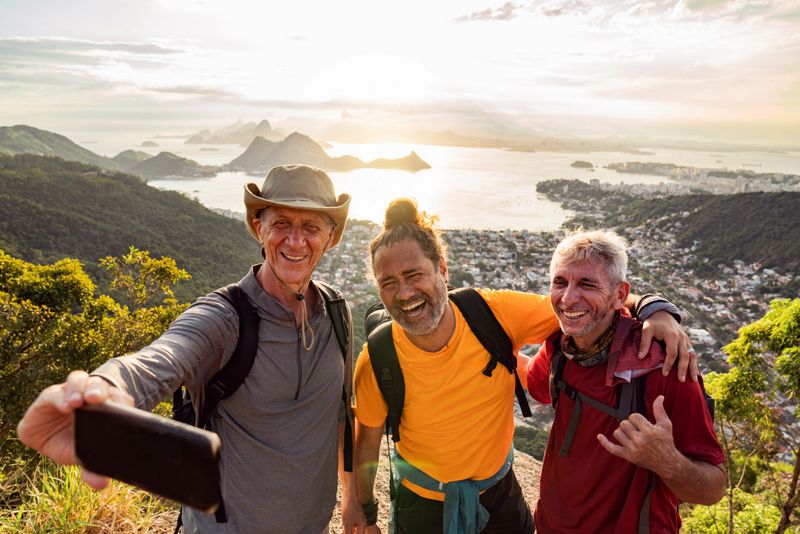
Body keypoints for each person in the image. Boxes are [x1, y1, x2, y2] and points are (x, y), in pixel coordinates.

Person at [17, 164, 367, 533]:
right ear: (258, 228)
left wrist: (352, 500)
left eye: (311, 227)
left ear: (331, 236)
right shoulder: (225, 318)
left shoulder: (336, 312)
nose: (296, 241)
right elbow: (166, 354)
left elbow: (338, 416)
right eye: (281, 223)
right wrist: (106, 389)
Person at [353, 199, 695, 534]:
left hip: (499, 497)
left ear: (442, 269)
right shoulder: (378, 356)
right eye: (389, 283)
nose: (404, 293)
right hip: (423, 503)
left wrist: (655, 308)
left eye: (415, 275)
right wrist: (365, 510)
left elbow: (581, 304)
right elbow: (366, 442)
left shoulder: (492, 314)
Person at [526, 229, 725, 533]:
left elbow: (713, 488)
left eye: (587, 284)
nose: (567, 298)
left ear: (619, 294)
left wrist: (666, 461)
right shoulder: (559, 346)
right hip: (553, 524)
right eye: (560, 282)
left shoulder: (663, 368)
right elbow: (536, 384)